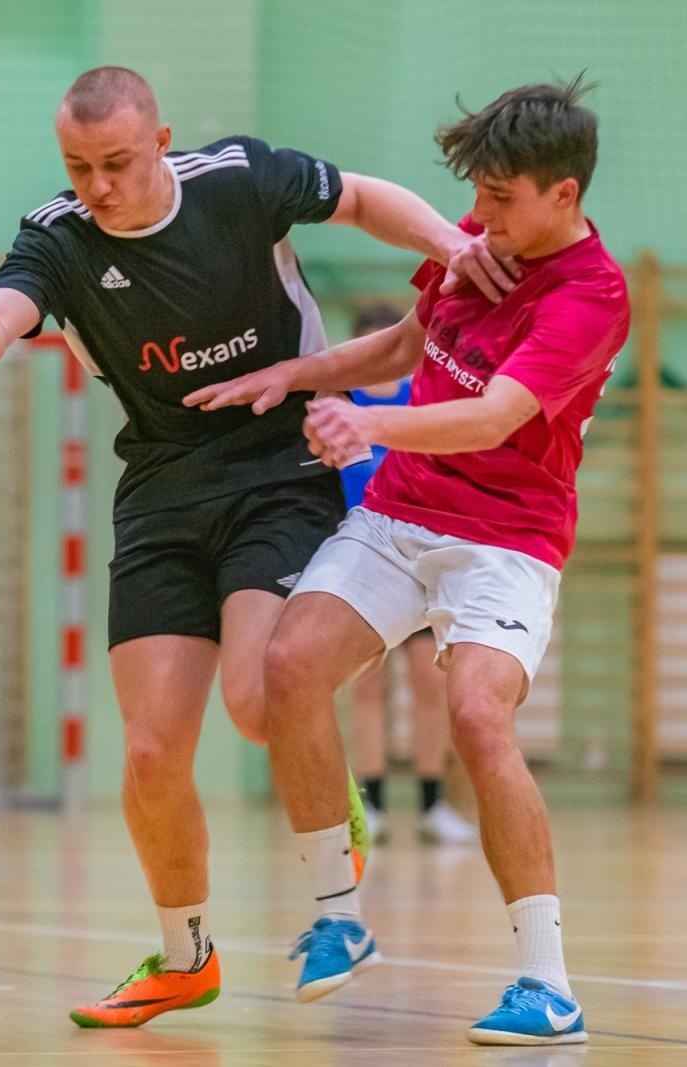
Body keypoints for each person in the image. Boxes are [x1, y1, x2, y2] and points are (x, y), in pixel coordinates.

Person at [0, 66, 515, 1030]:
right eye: (79, 166)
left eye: (117, 163)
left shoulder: (239, 178)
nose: (98, 186)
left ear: (159, 143)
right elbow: (11, 309)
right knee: (154, 750)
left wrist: (452, 243)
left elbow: (367, 198)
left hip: (278, 467)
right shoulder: (59, 237)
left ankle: (336, 804)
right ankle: (185, 956)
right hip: (160, 495)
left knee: (257, 700)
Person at [183, 75, 628, 1046]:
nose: (477, 218)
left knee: (476, 714)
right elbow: (401, 344)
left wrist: (368, 423)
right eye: (475, 194)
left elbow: (491, 416)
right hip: (400, 513)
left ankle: (546, 983)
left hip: (506, 537)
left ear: (563, 195)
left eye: (500, 199)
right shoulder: (474, 255)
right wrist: (294, 375)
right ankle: (338, 918)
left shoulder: (590, 296)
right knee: (287, 667)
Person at [341, 305, 477, 848]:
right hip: (360, 567)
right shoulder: (341, 407)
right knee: (368, 690)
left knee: (430, 686)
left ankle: (430, 804)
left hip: (421, 564)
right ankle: (371, 805)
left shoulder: (420, 404)